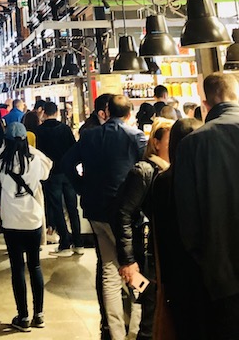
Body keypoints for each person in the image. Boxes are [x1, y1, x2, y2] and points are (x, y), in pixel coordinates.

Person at [62, 95, 147, 340]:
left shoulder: (89, 136)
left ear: (106, 112)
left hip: (96, 211)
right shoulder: (135, 137)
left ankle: (116, 333)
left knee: (109, 272)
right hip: (125, 213)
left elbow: (67, 163)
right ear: (130, 114)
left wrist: (83, 188)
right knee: (134, 267)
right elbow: (145, 170)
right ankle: (139, 328)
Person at [174, 74, 239, 340]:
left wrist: (204, 259)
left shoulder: (192, 144)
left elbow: (187, 217)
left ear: (205, 104)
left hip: (220, 271)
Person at [114, 117, 174, 340]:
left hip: (162, 258)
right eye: (170, 140)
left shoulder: (172, 171)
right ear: (156, 143)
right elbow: (123, 215)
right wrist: (128, 260)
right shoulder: (145, 171)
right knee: (150, 317)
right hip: (147, 258)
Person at [0, 121, 53, 331]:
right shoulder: (36, 160)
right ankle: (40, 314)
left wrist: (6, 147)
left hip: (11, 222)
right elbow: (48, 167)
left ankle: (24, 316)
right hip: (33, 221)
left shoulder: (1, 164)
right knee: (35, 266)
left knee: (17, 268)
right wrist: (28, 147)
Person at [151, 117, 203, 340]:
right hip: (202, 268)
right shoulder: (203, 175)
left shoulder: (164, 180)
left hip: (175, 269)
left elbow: (159, 228)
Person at [34, 100, 83, 256]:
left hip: (51, 174)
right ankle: (78, 242)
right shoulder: (65, 129)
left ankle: (65, 243)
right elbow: (74, 149)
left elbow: (38, 155)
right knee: (72, 207)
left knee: (57, 208)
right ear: (56, 113)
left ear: (44, 113)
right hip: (68, 173)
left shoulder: (38, 131)